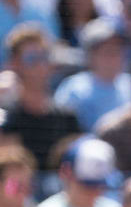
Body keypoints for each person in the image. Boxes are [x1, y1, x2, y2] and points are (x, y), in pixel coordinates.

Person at [3, 24, 82, 171]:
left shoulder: (68, 117)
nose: (40, 65)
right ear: (14, 64)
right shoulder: (6, 117)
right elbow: (9, 180)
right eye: (32, 58)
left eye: (44, 56)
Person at [52, 18, 131, 131]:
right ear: (91, 55)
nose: (115, 57)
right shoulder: (73, 89)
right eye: (108, 51)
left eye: (119, 50)